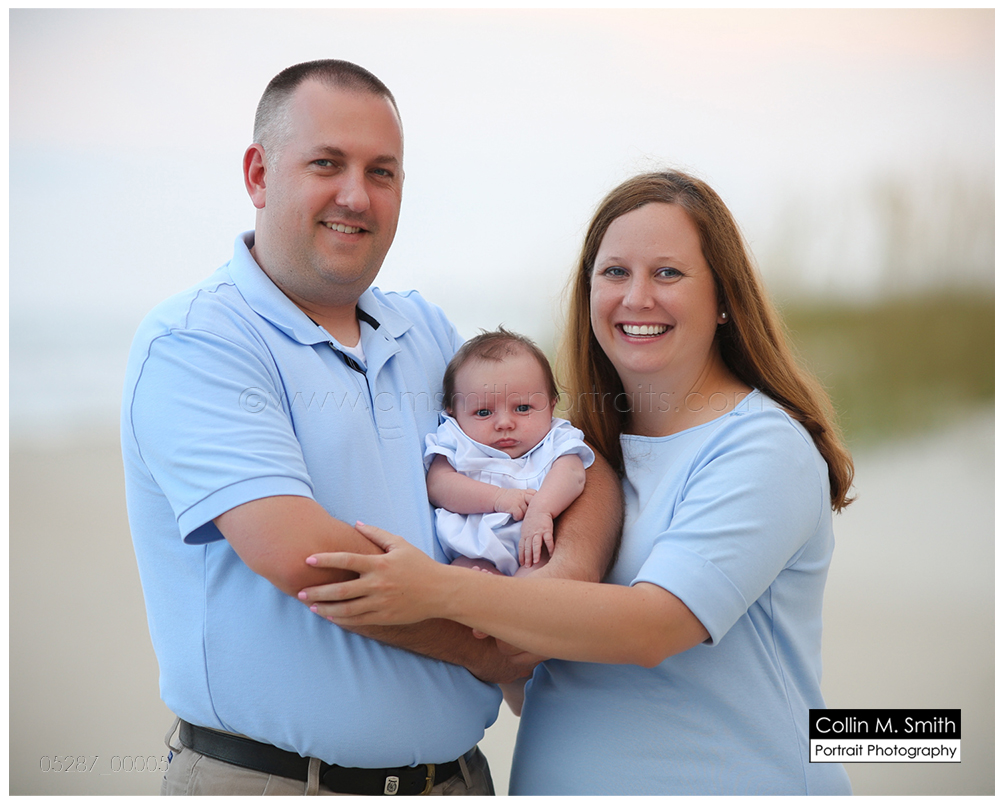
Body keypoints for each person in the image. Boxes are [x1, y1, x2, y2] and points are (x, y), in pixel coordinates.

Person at [121, 59, 620, 796]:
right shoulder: (198, 341)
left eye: (382, 172)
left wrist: (551, 599)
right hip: (278, 783)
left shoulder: (427, 331)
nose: (356, 195)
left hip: (455, 781)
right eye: (327, 164)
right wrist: (487, 646)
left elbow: (580, 465)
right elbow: (307, 561)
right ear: (259, 174)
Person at [299, 170, 856, 795]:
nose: (636, 297)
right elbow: (533, 670)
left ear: (724, 298)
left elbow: (652, 628)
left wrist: (439, 591)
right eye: (614, 273)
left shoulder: (760, 446)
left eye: (668, 273)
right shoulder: (568, 452)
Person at [427, 328, 593, 577]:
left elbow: (573, 474)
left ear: (551, 406)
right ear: (453, 411)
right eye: (483, 412)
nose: (504, 423)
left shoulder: (555, 438)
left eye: (523, 407)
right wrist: (498, 498)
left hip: (537, 545)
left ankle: (517, 602)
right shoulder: (457, 438)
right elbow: (438, 484)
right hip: (475, 551)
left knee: (541, 577)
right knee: (459, 575)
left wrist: (542, 510)